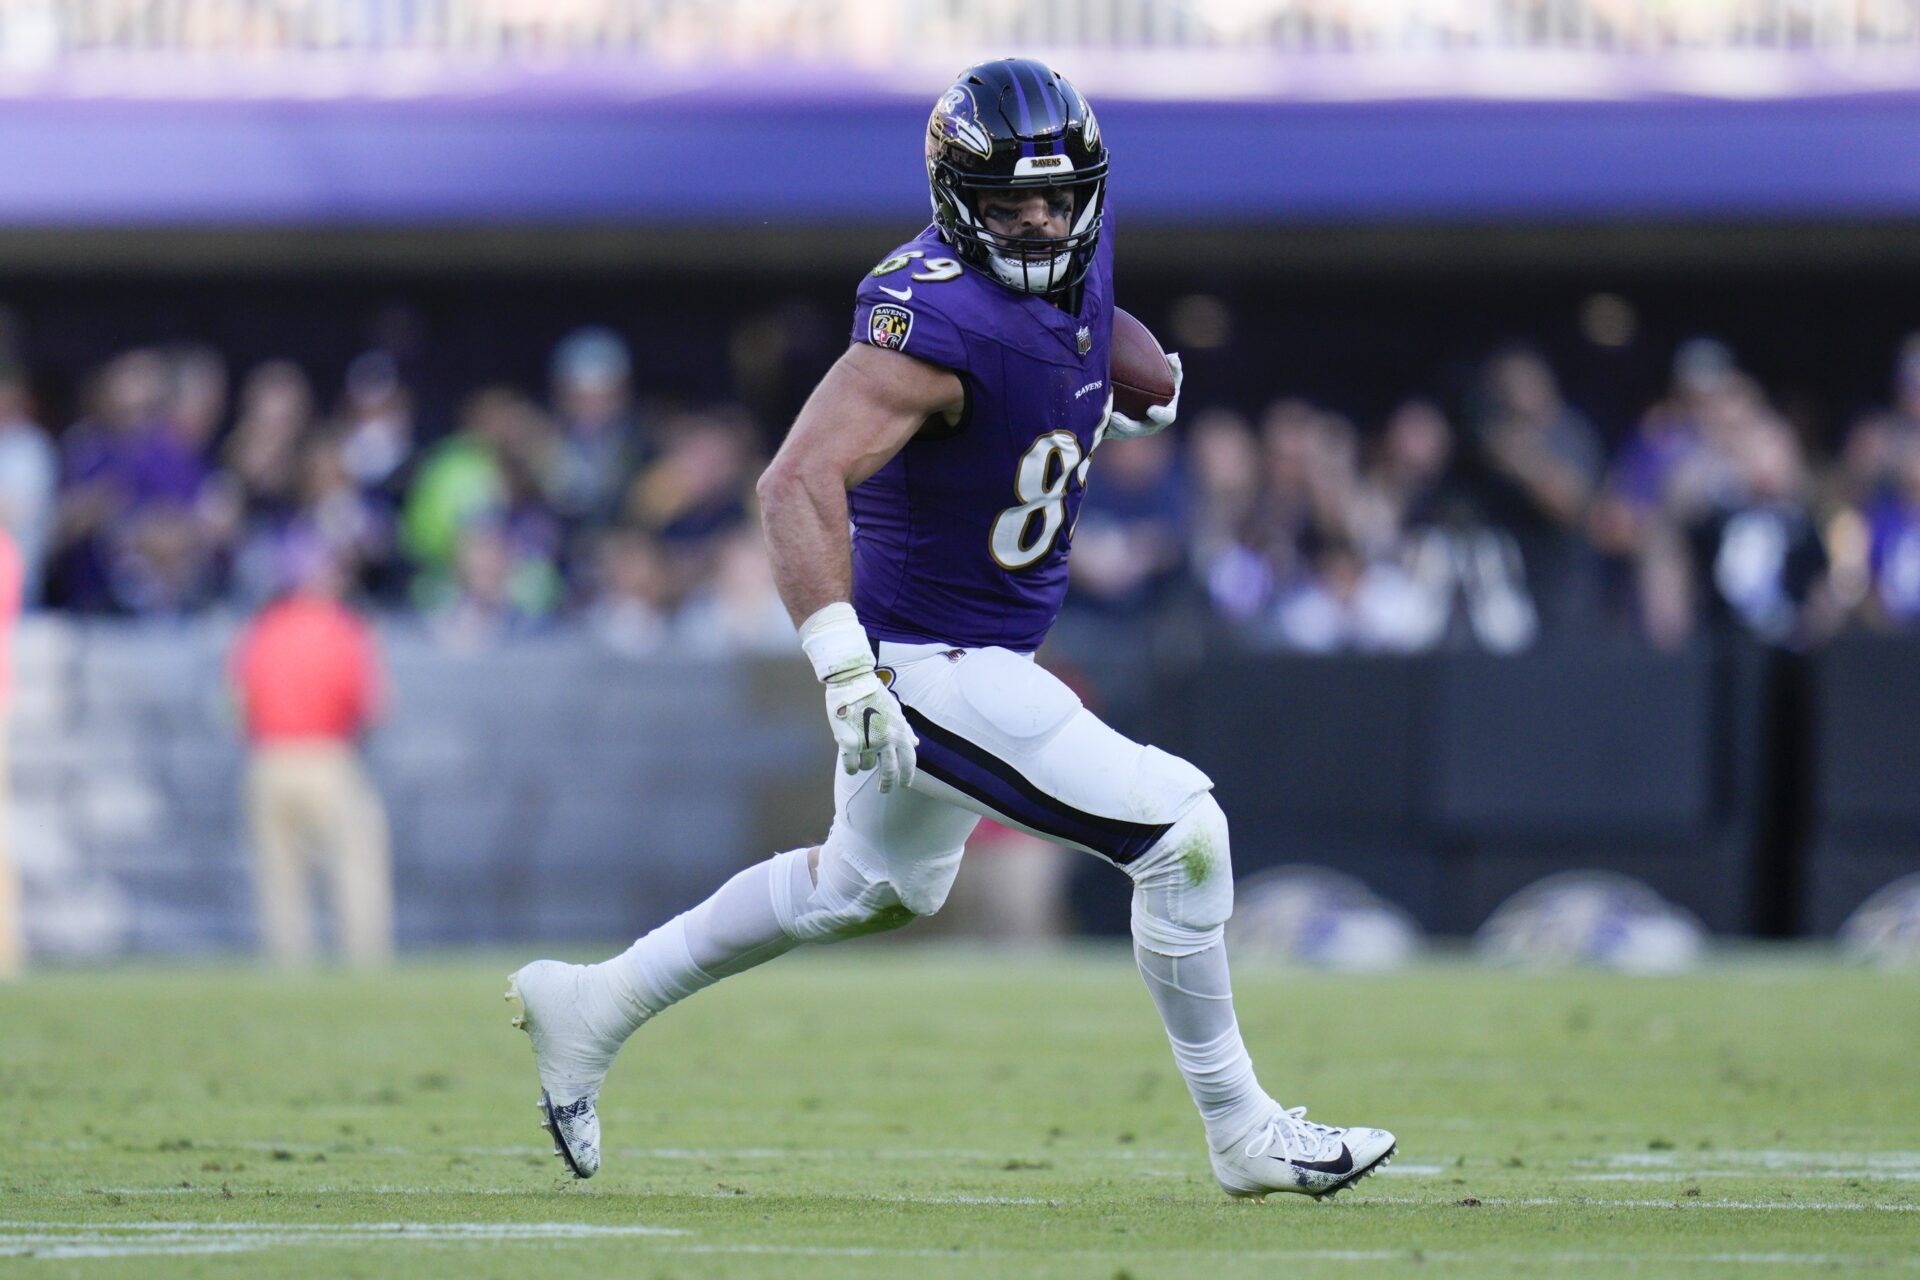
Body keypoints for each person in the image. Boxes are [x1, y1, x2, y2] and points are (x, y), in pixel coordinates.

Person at [506, 58, 1395, 1201]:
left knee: (866, 888)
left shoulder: (1071, 248)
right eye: (1011, 203)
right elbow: (794, 483)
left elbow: (1083, 324)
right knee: (1184, 833)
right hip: (923, 663)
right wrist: (842, 670)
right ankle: (1242, 1125)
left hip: (982, 647)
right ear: (953, 198)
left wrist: (1123, 381)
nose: (1038, 220)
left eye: (1056, 199)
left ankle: (592, 1003)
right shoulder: (929, 327)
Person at [231, 550, 392, 966]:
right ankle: (363, 959)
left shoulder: (263, 628)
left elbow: (237, 704)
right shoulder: (346, 629)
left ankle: (288, 963)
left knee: (279, 876)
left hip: (269, 758)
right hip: (328, 755)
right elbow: (374, 707)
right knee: (354, 866)